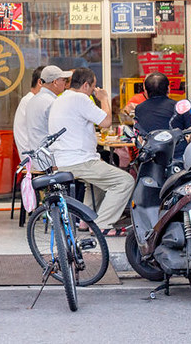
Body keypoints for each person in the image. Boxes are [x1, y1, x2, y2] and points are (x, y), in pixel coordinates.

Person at [48, 66, 134, 234]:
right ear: (86, 85)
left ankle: (85, 220)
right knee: (125, 181)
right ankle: (103, 224)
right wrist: (104, 99)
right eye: (93, 87)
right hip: (78, 161)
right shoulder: (80, 98)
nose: (94, 92)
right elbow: (106, 122)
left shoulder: (61, 98)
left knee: (97, 183)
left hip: (63, 160)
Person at [133, 72, 191, 161]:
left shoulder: (139, 109)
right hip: (177, 157)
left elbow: (140, 137)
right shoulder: (178, 106)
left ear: (145, 90)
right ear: (168, 89)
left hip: (151, 159)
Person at [25, 65, 71, 151]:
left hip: (37, 153)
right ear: (55, 82)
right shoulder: (52, 102)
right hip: (50, 155)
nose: (65, 83)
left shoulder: (34, 99)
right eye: (64, 80)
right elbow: (62, 130)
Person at [13, 67, 43, 158]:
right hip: (34, 158)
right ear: (40, 82)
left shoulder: (32, 100)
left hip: (35, 156)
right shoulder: (31, 101)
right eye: (52, 83)